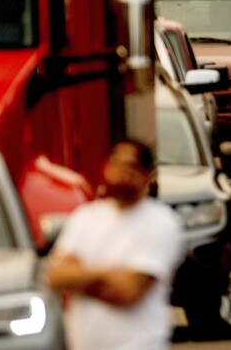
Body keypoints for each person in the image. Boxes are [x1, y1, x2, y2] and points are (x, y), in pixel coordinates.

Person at [47, 141, 185, 350]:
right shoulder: (84, 218)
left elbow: (129, 292)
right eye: (117, 163)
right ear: (105, 167)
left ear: (147, 174)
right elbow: (56, 276)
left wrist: (80, 279)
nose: (122, 172)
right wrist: (107, 274)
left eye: (131, 166)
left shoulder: (162, 224)